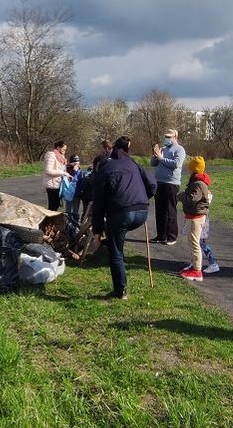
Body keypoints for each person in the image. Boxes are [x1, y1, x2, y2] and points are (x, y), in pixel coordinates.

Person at [90, 136, 157, 299]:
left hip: (121, 213)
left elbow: (98, 202)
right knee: (118, 236)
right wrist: (141, 199)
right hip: (141, 212)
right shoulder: (134, 163)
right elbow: (153, 186)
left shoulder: (105, 168)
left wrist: (98, 230)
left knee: (116, 252)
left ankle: (121, 292)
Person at [180, 156, 219, 280]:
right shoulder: (196, 181)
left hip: (196, 216)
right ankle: (194, 266)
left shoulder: (198, 183)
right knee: (192, 242)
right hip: (194, 215)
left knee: (195, 243)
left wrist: (181, 196)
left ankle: (197, 271)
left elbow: (192, 199)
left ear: (194, 169)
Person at [149, 128, 186, 245]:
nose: (167, 139)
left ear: (175, 137)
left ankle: (171, 236)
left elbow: (176, 164)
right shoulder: (163, 149)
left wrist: (161, 158)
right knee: (160, 210)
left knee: (170, 210)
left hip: (171, 183)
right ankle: (161, 235)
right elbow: (153, 163)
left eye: (169, 137)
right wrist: (155, 155)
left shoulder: (180, 149)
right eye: (166, 137)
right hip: (159, 182)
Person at [42, 140, 70, 211]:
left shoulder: (60, 157)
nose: (64, 151)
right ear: (58, 148)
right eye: (63, 149)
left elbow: (60, 167)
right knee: (53, 206)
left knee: (56, 204)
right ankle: (49, 221)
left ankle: (51, 221)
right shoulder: (51, 155)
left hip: (58, 184)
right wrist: (62, 173)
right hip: (52, 184)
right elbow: (48, 170)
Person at [64, 155, 85, 221]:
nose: (76, 165)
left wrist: (76, 171)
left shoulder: (80, 172)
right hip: (69, 194)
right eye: (74, 163)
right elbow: (70, 181)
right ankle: (68, 224)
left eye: (77, 163)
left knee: (75, 211)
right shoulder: (67, 171)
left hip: (77, 194)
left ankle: (75, 224)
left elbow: (79, 181)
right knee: (68, 211)